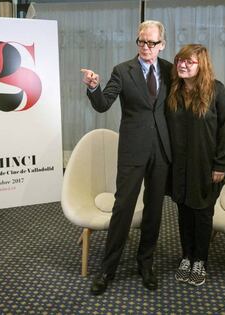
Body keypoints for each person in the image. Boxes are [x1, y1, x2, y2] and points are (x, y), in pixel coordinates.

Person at [81, 20, 172, 295]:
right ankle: (108, 269)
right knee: (122, 210)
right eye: (141, 41)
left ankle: (146, 264)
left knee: (154, 211)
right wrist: (94, 86)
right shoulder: (122, 70)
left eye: (152, 43)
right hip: (133, 150)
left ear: (162, 45)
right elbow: (102, 104)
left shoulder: (170, 70)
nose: (146, 47)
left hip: (162, 151)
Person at [166, 44, 225, 286]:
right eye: (179, 61)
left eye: (189, 62)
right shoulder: (174, 91)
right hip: (180, 166)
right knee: (184, 212)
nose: (182, 65)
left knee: (202, 213)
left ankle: (200, 261)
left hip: (207, 166)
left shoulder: (216, 91)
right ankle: (186, 256)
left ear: (201, 65)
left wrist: (220, 165)